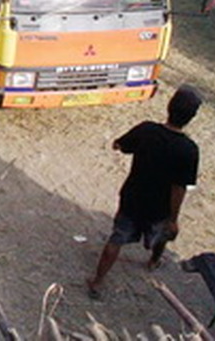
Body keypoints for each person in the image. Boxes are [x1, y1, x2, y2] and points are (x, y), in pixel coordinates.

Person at [86, 85, 202, 299]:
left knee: (117, 239)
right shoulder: (189, 150)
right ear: (191, 117)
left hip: (133, 197)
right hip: (161, 207)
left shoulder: (147, 130)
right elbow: (180, 187)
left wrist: (118, 145)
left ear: (169, 106)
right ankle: (154, 260)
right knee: (162, 234)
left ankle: (97, 281)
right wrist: (174, 218)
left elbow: (120, 145)